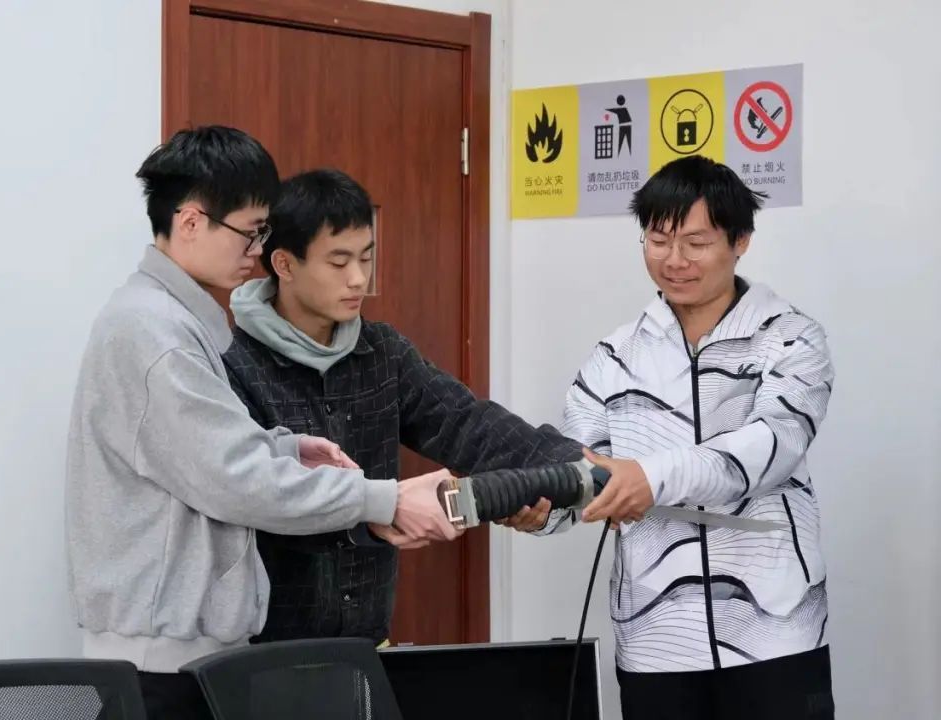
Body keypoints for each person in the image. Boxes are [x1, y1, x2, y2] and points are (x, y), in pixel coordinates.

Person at [64, 127, 459, 720]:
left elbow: (201, 454)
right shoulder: (155, 334)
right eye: (249, 232)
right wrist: (384, 500)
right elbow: (236, 480)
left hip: (180, 656)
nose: (256, 251)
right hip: (161, 667)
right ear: (191, 221)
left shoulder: (173, 320)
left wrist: (285, 449)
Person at [515, 155, 836, 719]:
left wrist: (649, 478)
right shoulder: (615, 356)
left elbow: (772, 447)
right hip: (655, 639)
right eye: (658, 241)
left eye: (696, 243)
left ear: (740, 241)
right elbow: (586, 474)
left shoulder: (791, 339)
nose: (674, 261)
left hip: (775, 632)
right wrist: (544, 509)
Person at [222, 168, 584, 645]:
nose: (358, 278)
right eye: (339, 262)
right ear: (284, 264)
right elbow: (258, 498)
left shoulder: (383, 352)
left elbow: (466, 423)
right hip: (260, 649)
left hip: (366, 641)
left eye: (366, 257)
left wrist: (573, 466)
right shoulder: (231, 361)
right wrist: (380, 508)